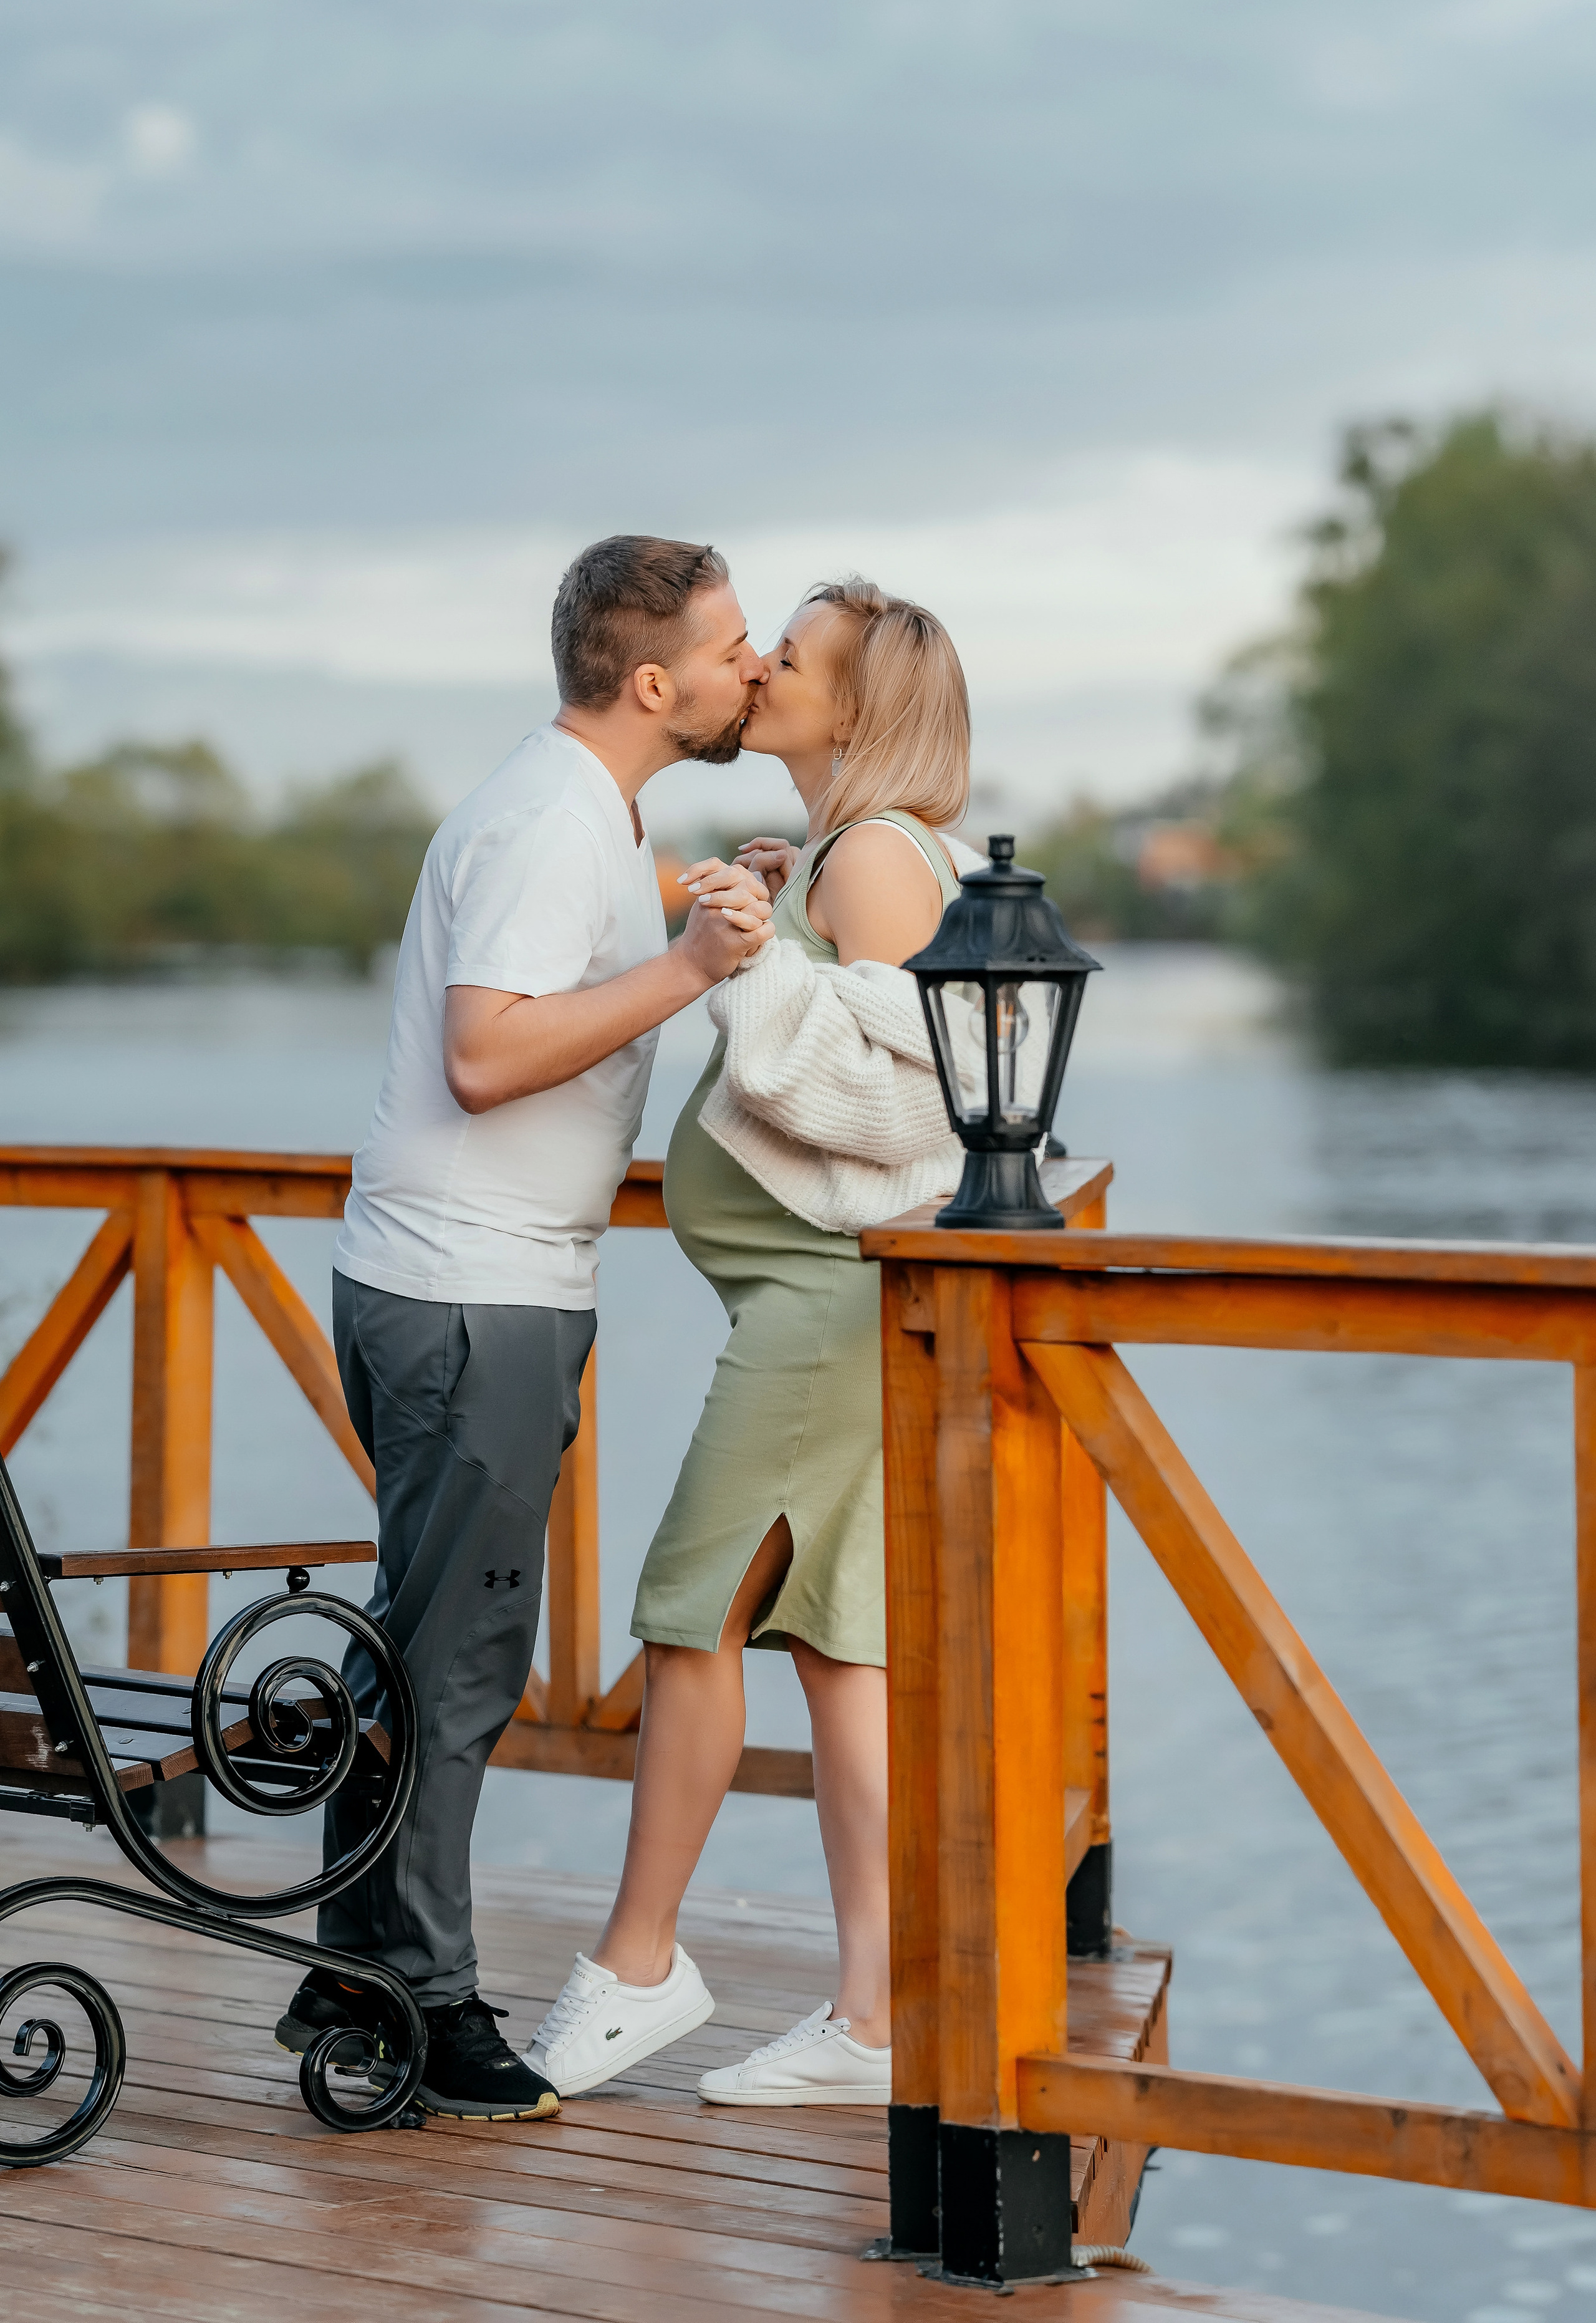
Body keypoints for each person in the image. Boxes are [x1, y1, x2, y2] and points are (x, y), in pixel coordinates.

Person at [273, 535, 772, 2120]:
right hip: (469, 1294)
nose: (754, 667)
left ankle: (355, 1969)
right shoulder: (553, 818)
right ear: (654, 681)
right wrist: (689, 966)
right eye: (733, 648)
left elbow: (547, 985)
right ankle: (424, 2002)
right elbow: (486, 1056)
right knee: (463, 1664)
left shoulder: (583, 812)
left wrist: (692, 911)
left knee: (422, 1637)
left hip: (458, 1283)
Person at [531, 577, 979, 2107]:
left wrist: (750, 948)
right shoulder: (847, 857)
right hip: (813, 1305)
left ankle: (638, 1962)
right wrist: (777, 909)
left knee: (688, 1611)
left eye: (792, 656)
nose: (763, 667)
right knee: (837, 1656)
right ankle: (873, 2019)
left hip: (821, 1310)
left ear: (854, 707)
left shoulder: (876, 857)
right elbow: (863, 1025)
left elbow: (904, 1104)